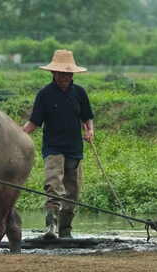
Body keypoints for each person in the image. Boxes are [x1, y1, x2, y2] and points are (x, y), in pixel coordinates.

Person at [23, 49, 94, 239]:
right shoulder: (44, 94)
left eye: (68, 74)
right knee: (53, 185)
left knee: (73, 192)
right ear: (53, 73)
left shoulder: (79, 93)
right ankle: (50, 229)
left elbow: (87, 117)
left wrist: (89, 130)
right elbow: (34, 122)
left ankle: (65, 231)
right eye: (61, 73)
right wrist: (18, 135)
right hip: (53, 148)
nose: (65, 77)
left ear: (72, 75)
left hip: (74, 149)